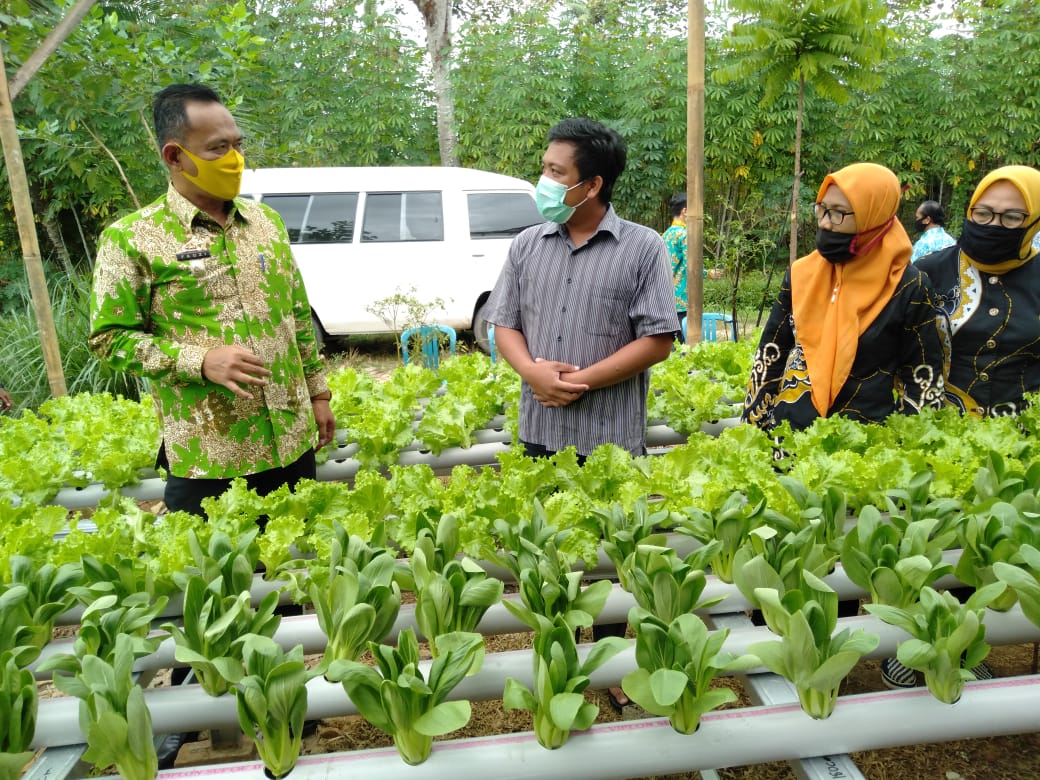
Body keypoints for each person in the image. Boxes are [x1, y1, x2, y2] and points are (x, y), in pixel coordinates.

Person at [483, 117, 679, 708]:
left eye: (552, 172)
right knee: (549, 559)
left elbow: (658, 337)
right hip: (539, 430)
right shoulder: (526, 244)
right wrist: (532, 372)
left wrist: (582, 380)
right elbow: (505, 322)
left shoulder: (642, 247)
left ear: (590, 186)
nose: (542, 180)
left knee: (608, 562)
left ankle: (612, 667)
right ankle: (561, 660)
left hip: (610, 439)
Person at [89, 83, 335, 519]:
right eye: (217, 148)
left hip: (293, 443)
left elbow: (295, 314)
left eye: (237, 145)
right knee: (219, 583)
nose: (234, 159)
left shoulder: (266, 223)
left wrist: (318, 394)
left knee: (298, 573)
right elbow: (110, 339)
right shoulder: (131, 239)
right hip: (211, 459)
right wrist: (198, 360)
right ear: (174, 156)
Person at [742, 162, 949, 432]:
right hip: (788, 436)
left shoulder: (908, 286)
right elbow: (771, 355)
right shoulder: (801, 274)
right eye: (822, 209)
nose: (826, 222)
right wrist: (753, 430)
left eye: (839, 213)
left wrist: (905, 448)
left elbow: (922, 378)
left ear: (873, 215)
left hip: (863, 447)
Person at [916, 165, 1040, 417]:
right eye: (983, 213)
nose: (993, 224)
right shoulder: (928, 272)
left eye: (1012, 217)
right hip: (935, 431)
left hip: (1026, 438)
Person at [663, 192, 688, 327]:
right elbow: (692, 267)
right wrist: (708, 273)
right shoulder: (684, 235)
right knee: (685, 344)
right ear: (685, 211)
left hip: (667, 296)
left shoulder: (666, 234)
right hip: (683, 298)